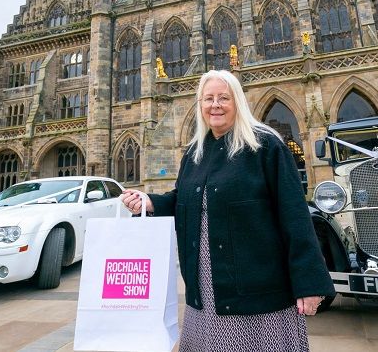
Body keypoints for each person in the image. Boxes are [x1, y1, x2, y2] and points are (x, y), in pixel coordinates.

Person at [120, 70, 335, 351]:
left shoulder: (265, 146)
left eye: (224, 97)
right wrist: (150, 202)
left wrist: (309, 282)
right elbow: (184, 200)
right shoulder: (194, 152)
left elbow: (294, 214)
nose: (215, 105)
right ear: (200, 105)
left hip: (259, 289)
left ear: (238, 102)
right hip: (206, 290)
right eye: (208, 98)